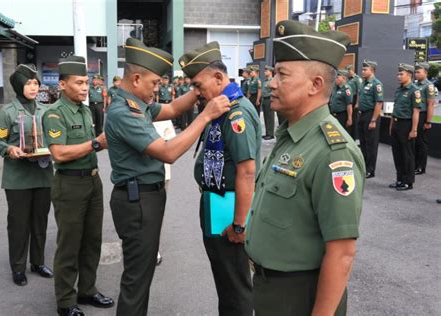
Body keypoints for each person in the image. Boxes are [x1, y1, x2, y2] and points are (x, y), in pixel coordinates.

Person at [245, 20, 365, 316]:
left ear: (315, 85)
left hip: (299, 296)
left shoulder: (333, 152)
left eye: (281, 75)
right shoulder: (291, 136)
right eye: (273, 74)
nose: (271, 83)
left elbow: (341, 253)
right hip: (269, 288)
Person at [104, 38, 231, 316]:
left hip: (145, 197)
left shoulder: (136, 103)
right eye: (154, 83)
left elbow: (172, 109)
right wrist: (206, 116)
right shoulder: (124, 111)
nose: (157, 88)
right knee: (137, 278)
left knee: (143, 272)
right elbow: (168, 152)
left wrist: (201, 89)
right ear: (136, 79)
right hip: (137, 201)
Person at [179, 41, 261, 316]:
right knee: (225, 280)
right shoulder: (221, 107)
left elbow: (247, 172)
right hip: (216, 204)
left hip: (229, 209)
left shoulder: (236, 112)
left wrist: (239, 226)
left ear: (218, 77)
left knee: (235, 284)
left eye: (199, 85)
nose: (197, 92)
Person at [42, 56, 114, 316]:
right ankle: (65, 302)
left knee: (92, 241)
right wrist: (96, 144)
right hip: (69, 184)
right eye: (79, 83)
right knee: (69, 245)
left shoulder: (84, 110)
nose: (85, 87)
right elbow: (59, 154)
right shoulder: (54, 114)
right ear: (62, 85)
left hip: (93, 181)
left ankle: (87, 289)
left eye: (86, 83)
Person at [0, 64, 54, 286]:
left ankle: (38, 262)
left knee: (40, 221)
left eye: (36, 83)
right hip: (18, 178)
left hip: (44, 175)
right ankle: (18, 267)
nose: (33, 87)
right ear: (19, 85)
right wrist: (9, 149)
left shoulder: (46, 111)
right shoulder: (6, 113)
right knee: (18, 224)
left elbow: (54, 138)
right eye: (28, 83)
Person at [388, 64, 422, 191]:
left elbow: (416, 112)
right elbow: (395, 108)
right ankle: (400, 179)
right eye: (398, 74)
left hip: (406, 124)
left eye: (401, 74)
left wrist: (414, 129)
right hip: (396, 123)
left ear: (409, 75)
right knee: (397, 154)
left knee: (407, 154)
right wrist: (391, 125)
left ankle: (408, 182)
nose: (398, 76)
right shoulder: (398, 90)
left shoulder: (414, 90)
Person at [358, 59, 383, 178]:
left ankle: (370, 169)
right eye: (362, 69)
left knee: (371, 144)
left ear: (372, 70)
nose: (362, 71)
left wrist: (373, 120)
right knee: (363, 143)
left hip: (371, 115)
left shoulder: (376, 84)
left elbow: (379, 103)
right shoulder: (363, 83)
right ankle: (364, 166)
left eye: (364, 69)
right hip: (362, 114)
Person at [414, 62, 436, 175]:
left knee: (421, 142)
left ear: (426, 73)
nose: (416, 74)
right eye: (415, 72)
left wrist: (428, 121)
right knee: (414, 141)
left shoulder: (429, 85)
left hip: (422, 115)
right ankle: (414, 164)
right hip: (415, 115)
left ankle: (421, 167)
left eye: (418, 72)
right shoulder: (415, 85)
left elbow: (430, 104)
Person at [329, 69, 353, 134]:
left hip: (342, 116)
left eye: (337, 77)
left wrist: (349, 118)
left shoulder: (346, 89)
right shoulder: (335, 87)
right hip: (333, 115)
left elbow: (349, 105)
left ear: (344, 78)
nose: (335, 79)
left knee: (341, 134)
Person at [346, 64, 363, 140]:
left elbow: (359, 91)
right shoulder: (347, 79)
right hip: (348, 99)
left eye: (349, 71)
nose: (348, 73)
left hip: (354, 99)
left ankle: (353, 138)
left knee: (353, 119)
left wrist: (357, 103)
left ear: (352, 70)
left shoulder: (357, 79)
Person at [261, 65, 275, 140]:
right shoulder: (265, 81)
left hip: (269, 99)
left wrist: (267, 95)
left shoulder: (272, 81)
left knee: (270, 117)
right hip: (264, 100)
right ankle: (267, 133)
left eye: (266, 71)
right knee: (266, 117)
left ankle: (271, 134)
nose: (264, 72)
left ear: (270, 72)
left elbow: (273, 91)